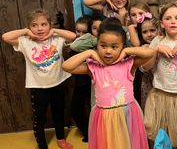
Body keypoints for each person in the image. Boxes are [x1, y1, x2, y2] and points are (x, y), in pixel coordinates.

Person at [62, 20, 153, 149]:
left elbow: (150, 53)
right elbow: (66, 66)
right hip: (104, 118)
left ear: (122, 47)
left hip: (127, 115)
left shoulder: (128, 64)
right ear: (97, 44)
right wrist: (89, 53)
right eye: (103, 46)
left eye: (114, 47)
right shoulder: (93, 67)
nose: (108, 51)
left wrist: (126, 51)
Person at [2, 9, 76, 149]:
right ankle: (42, 144)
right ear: (29, 27)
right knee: (39, 118)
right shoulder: (25, 42)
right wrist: (26, 32)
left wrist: (54, 31)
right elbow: (6, 37)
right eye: (34, 25)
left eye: (43, 24)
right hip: (38, 88)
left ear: (50, 25)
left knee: (59, 114)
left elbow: (72, 36)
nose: (39, 28)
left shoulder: (56, 39)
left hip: (58, 84)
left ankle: (61, 139)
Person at [142, 3, 177, 149]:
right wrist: (155, 50)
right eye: (168, 18)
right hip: (161, 96)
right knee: (162, 137)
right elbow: (146, 67)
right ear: (162, 23)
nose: (173, 21)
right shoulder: (157, 41)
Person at [69, 15, 93, 142]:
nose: (80, 34)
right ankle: (88, 133)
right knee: (76, 109)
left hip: (92, 82)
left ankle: (94, 134)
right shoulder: (75, 44)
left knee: (94, 109)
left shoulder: (92, 44)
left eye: (84, 32)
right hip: (80, 83)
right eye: (78, 31)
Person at [128, 12, 159, 108]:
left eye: (152, 30)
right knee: (150, 107)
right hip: (147, 83)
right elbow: (143, 68)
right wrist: (133, 26)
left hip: (163, 82)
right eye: (145, 32)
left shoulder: (163, 43)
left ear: (159, 30)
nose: (149, 34)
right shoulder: (143, 48)